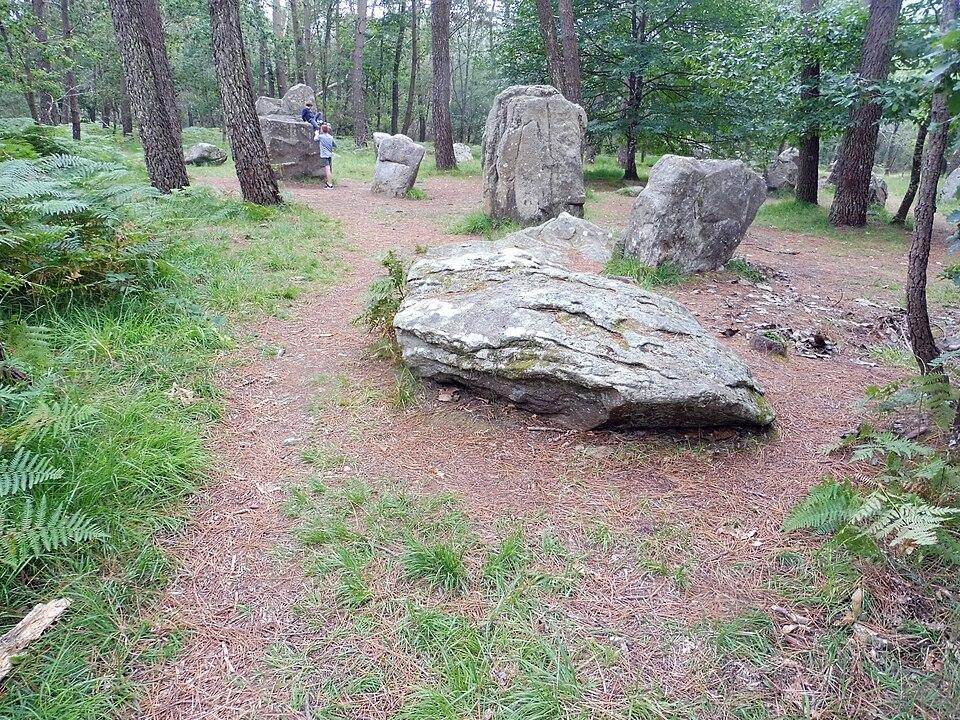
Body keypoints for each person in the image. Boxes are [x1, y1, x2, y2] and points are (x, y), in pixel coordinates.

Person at [316, 123, 336, 189]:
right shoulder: (330, 137)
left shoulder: (321, 136)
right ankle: (328, 183)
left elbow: (315, 139)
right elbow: (335, 145)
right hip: (329, 155)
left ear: (322, 130)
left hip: (324, 155)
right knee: (328, 169)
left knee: (327, 169)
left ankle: (330, 184)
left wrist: (316, 133)